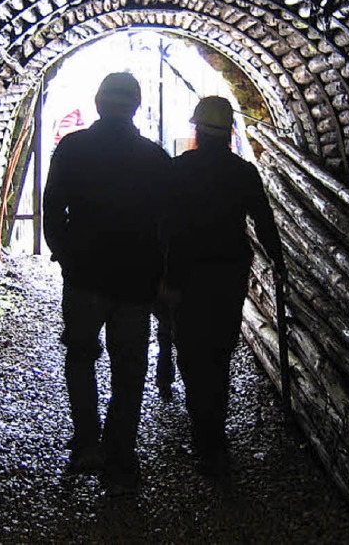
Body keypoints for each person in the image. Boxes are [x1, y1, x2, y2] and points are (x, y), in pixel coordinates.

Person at [42, 72, 170, 496]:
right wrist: (160, 274)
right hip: (135, 282)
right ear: (134, 106)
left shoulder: (73, 148)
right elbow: (167, 226)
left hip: (85, 278)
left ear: (98, 104)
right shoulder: (153, 157)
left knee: (81, 357)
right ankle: (120, 457)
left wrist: (66, 257)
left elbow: (51, 209)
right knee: (129, 368)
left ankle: (86, 443)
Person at [164, 96, 286, 485]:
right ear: (230, 131)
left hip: (187, 275)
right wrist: (278, 262)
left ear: (197, 130)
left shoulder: (178, 170)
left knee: (193, 352)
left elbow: (160, 224)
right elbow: (264, 221)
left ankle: (206, 434)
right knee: (220, 352)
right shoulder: (243, 173)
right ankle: (214, 436)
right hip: (228, 274)